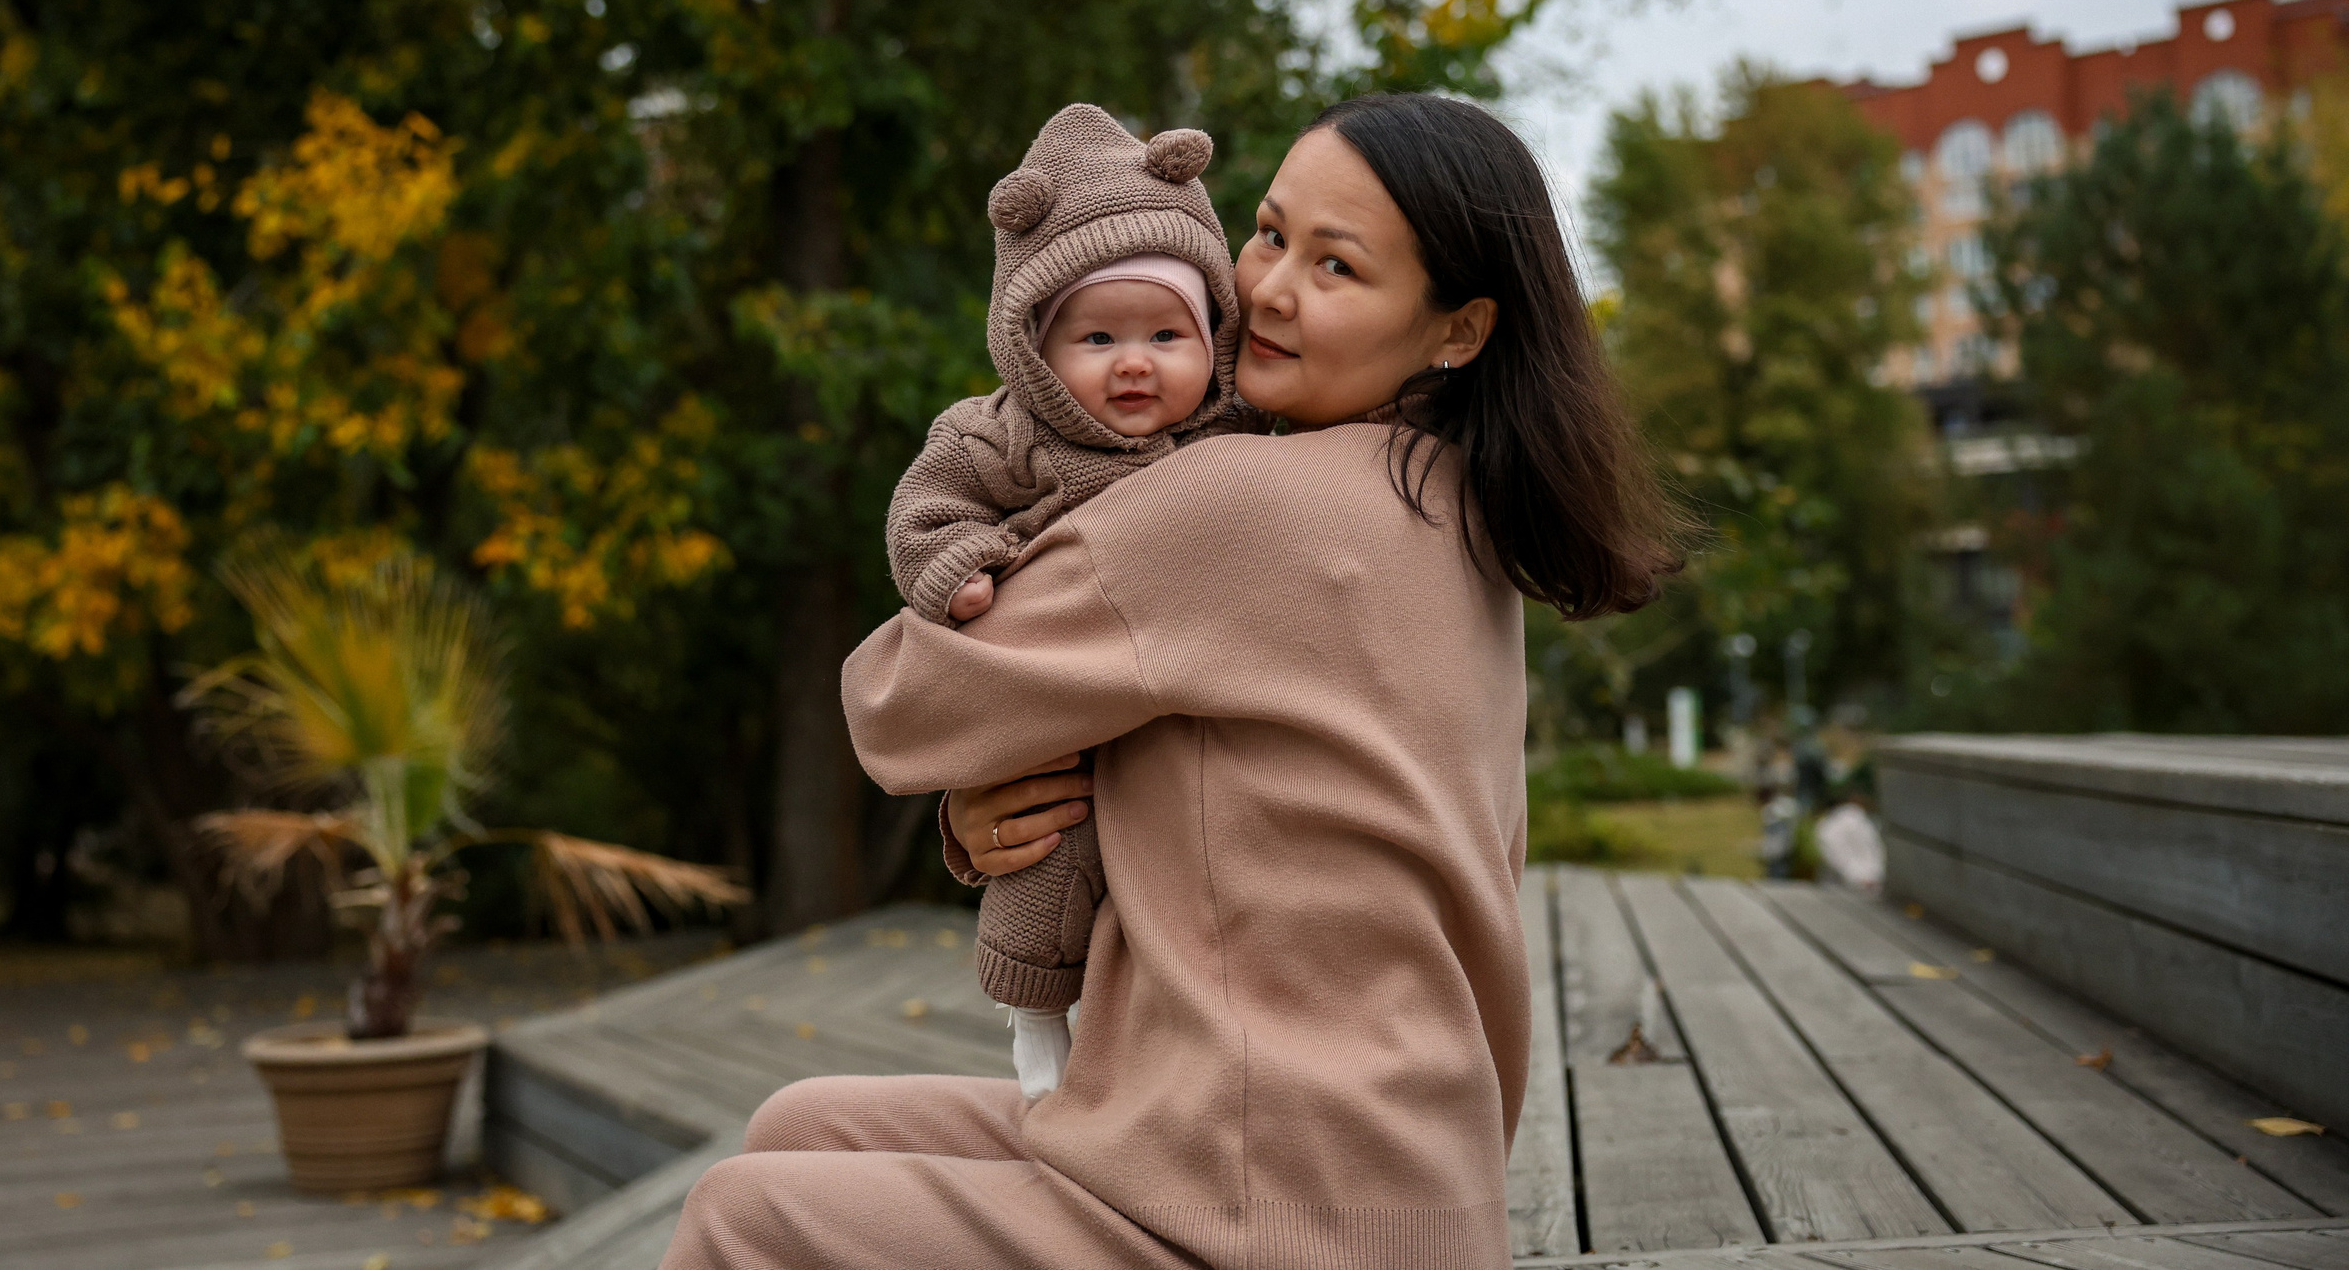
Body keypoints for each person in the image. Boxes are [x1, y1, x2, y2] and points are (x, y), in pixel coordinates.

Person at [662, 93, 1681, 1270]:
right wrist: (1001, 802)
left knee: (743, 1216)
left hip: (1264, 1200)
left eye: (1336, 267)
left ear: (1456, 330)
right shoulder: (1452, 508)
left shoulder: (1239, 503)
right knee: (806, 1126)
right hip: (1400, 1182)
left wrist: (974, 779)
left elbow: (899, 704)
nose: (1269, 290)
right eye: (1266, 232)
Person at [883, 102, 1250, 1098]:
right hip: (1062, 717)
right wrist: (959, 563)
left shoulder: (1238, 440)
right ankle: (1034, 1022)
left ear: (1214, 332)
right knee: (1046, 849)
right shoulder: (998, 436)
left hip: (1187, 720)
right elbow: (924, 512)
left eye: (1167, 334)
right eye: (1095, 336)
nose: (1135, 363)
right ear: (1034, 346)